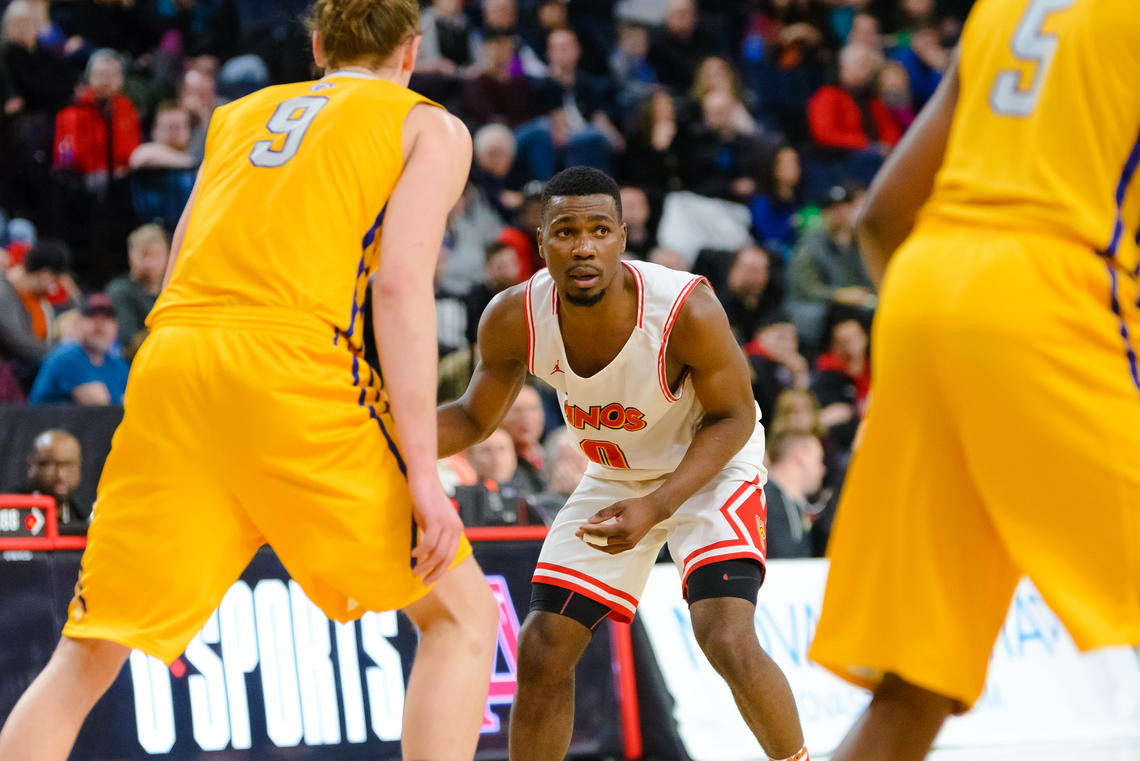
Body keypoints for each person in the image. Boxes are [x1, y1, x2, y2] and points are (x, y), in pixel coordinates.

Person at [0, 2, 499, 760]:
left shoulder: (238, 117)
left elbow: (177, 261)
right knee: (463, 617)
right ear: (411, 49)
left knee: (89, 649)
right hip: (290, 363)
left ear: (319, 44)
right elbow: (399, 287)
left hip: (175, 358)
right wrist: (425, 477)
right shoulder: (429, 124)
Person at [809, 3, 1140, 760]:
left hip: (927, 287)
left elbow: (882, 215)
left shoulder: (1003, 8)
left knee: (913, 682)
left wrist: (960, 344)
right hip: (1055, 293)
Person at [438, 166, 810, 761]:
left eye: (598, 230)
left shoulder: (685, 308)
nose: (583, 246)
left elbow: (735, 417)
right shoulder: (514, 316)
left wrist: (658, 505)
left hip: (712, 463)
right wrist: (383, 440)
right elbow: (471, 418)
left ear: (622, 237)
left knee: (726, 637)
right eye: (564, 231)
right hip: (616, 474)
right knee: (542, 647)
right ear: (541, 242)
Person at [29, 293, 129, 405]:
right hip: (50, 422)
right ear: (78, 324)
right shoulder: (65, 357)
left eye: (107, 318)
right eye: (92, 316)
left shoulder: (118, 364)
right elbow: (99, 400)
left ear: (116, 326)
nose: (100, 324)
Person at [761, 430, 825, 559]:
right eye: (818, 460)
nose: (822, 470)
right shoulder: (766, 500)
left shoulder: (791, 504)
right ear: (800, 456)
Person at [105, 223, 169, 351]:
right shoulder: (120, 291)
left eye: (156, 254)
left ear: (168, 255)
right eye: (144, 254)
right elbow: (128, 344)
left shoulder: (172, 290)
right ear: (131, 256)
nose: (150, 262)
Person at [22, 429, 88, 530]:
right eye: (48, 465)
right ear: (31, 466)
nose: (60, 475)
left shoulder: (85, 515)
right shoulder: (11, 511)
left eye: (68, 465)